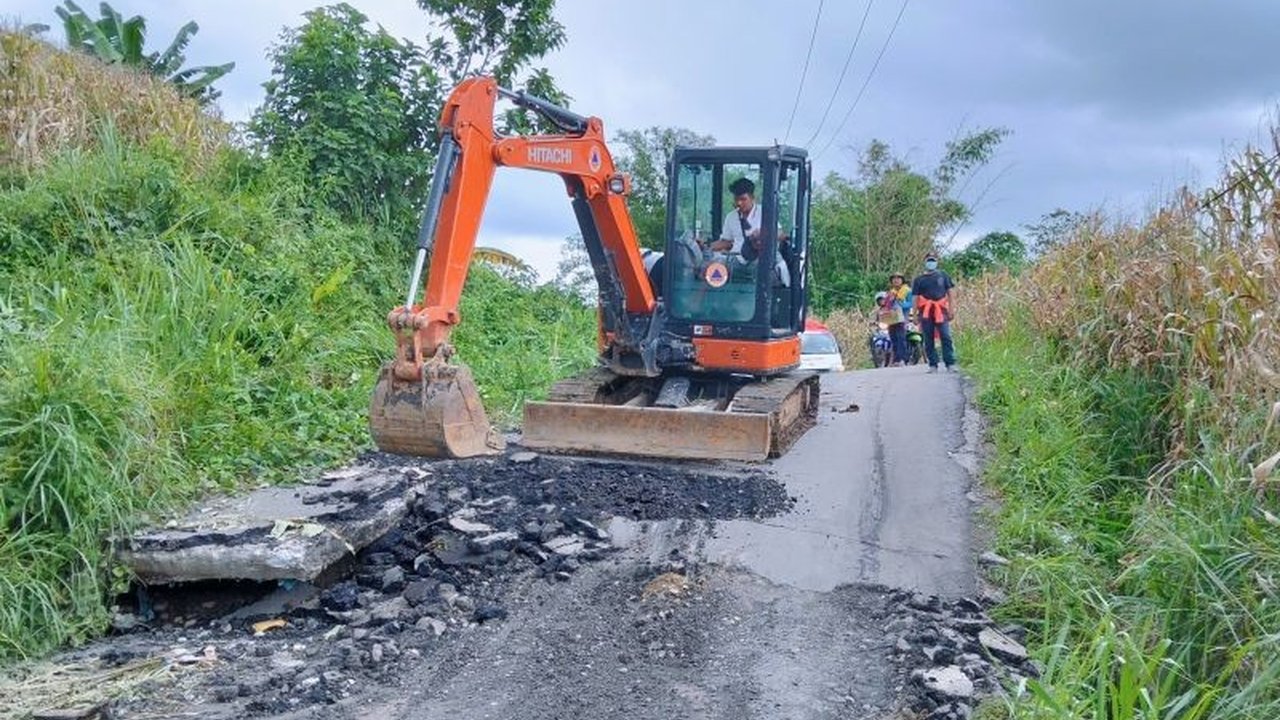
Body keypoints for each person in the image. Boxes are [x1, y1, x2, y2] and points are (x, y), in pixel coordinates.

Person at [910, 251, 957, 372]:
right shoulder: (919, 280)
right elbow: (915, 298)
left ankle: (950, 362)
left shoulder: (943, 275)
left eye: (933, 260)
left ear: (937, 261)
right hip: (925, 312)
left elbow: (950, 293)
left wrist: (951, 308)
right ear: (925, 262)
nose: (931, 262)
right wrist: (914, 314)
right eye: (929, 260)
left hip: (941, 310)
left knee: (945, 336)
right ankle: (933, 364)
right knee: (928, 337)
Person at [709, 177, 760, 257]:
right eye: (736, 199)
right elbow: (726, 242)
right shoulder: (731, 217)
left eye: (743, 199)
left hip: (759, 261)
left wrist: (761, 235)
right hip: (736, 261)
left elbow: (780, 234)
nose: (739, 203)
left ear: (752, 198)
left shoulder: (764, 213)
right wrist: (706, 247)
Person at [875, 289, 907, 366]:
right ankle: (896, 360)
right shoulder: (880, 310)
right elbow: (877, 318)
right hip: (890, 325)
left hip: (899, 323)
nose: (881, 302)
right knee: (894, 341)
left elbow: (897, 311)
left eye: (882, 299)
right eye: (879, 301)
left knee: (900, 340)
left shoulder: (893, 303)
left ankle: (902, 359)